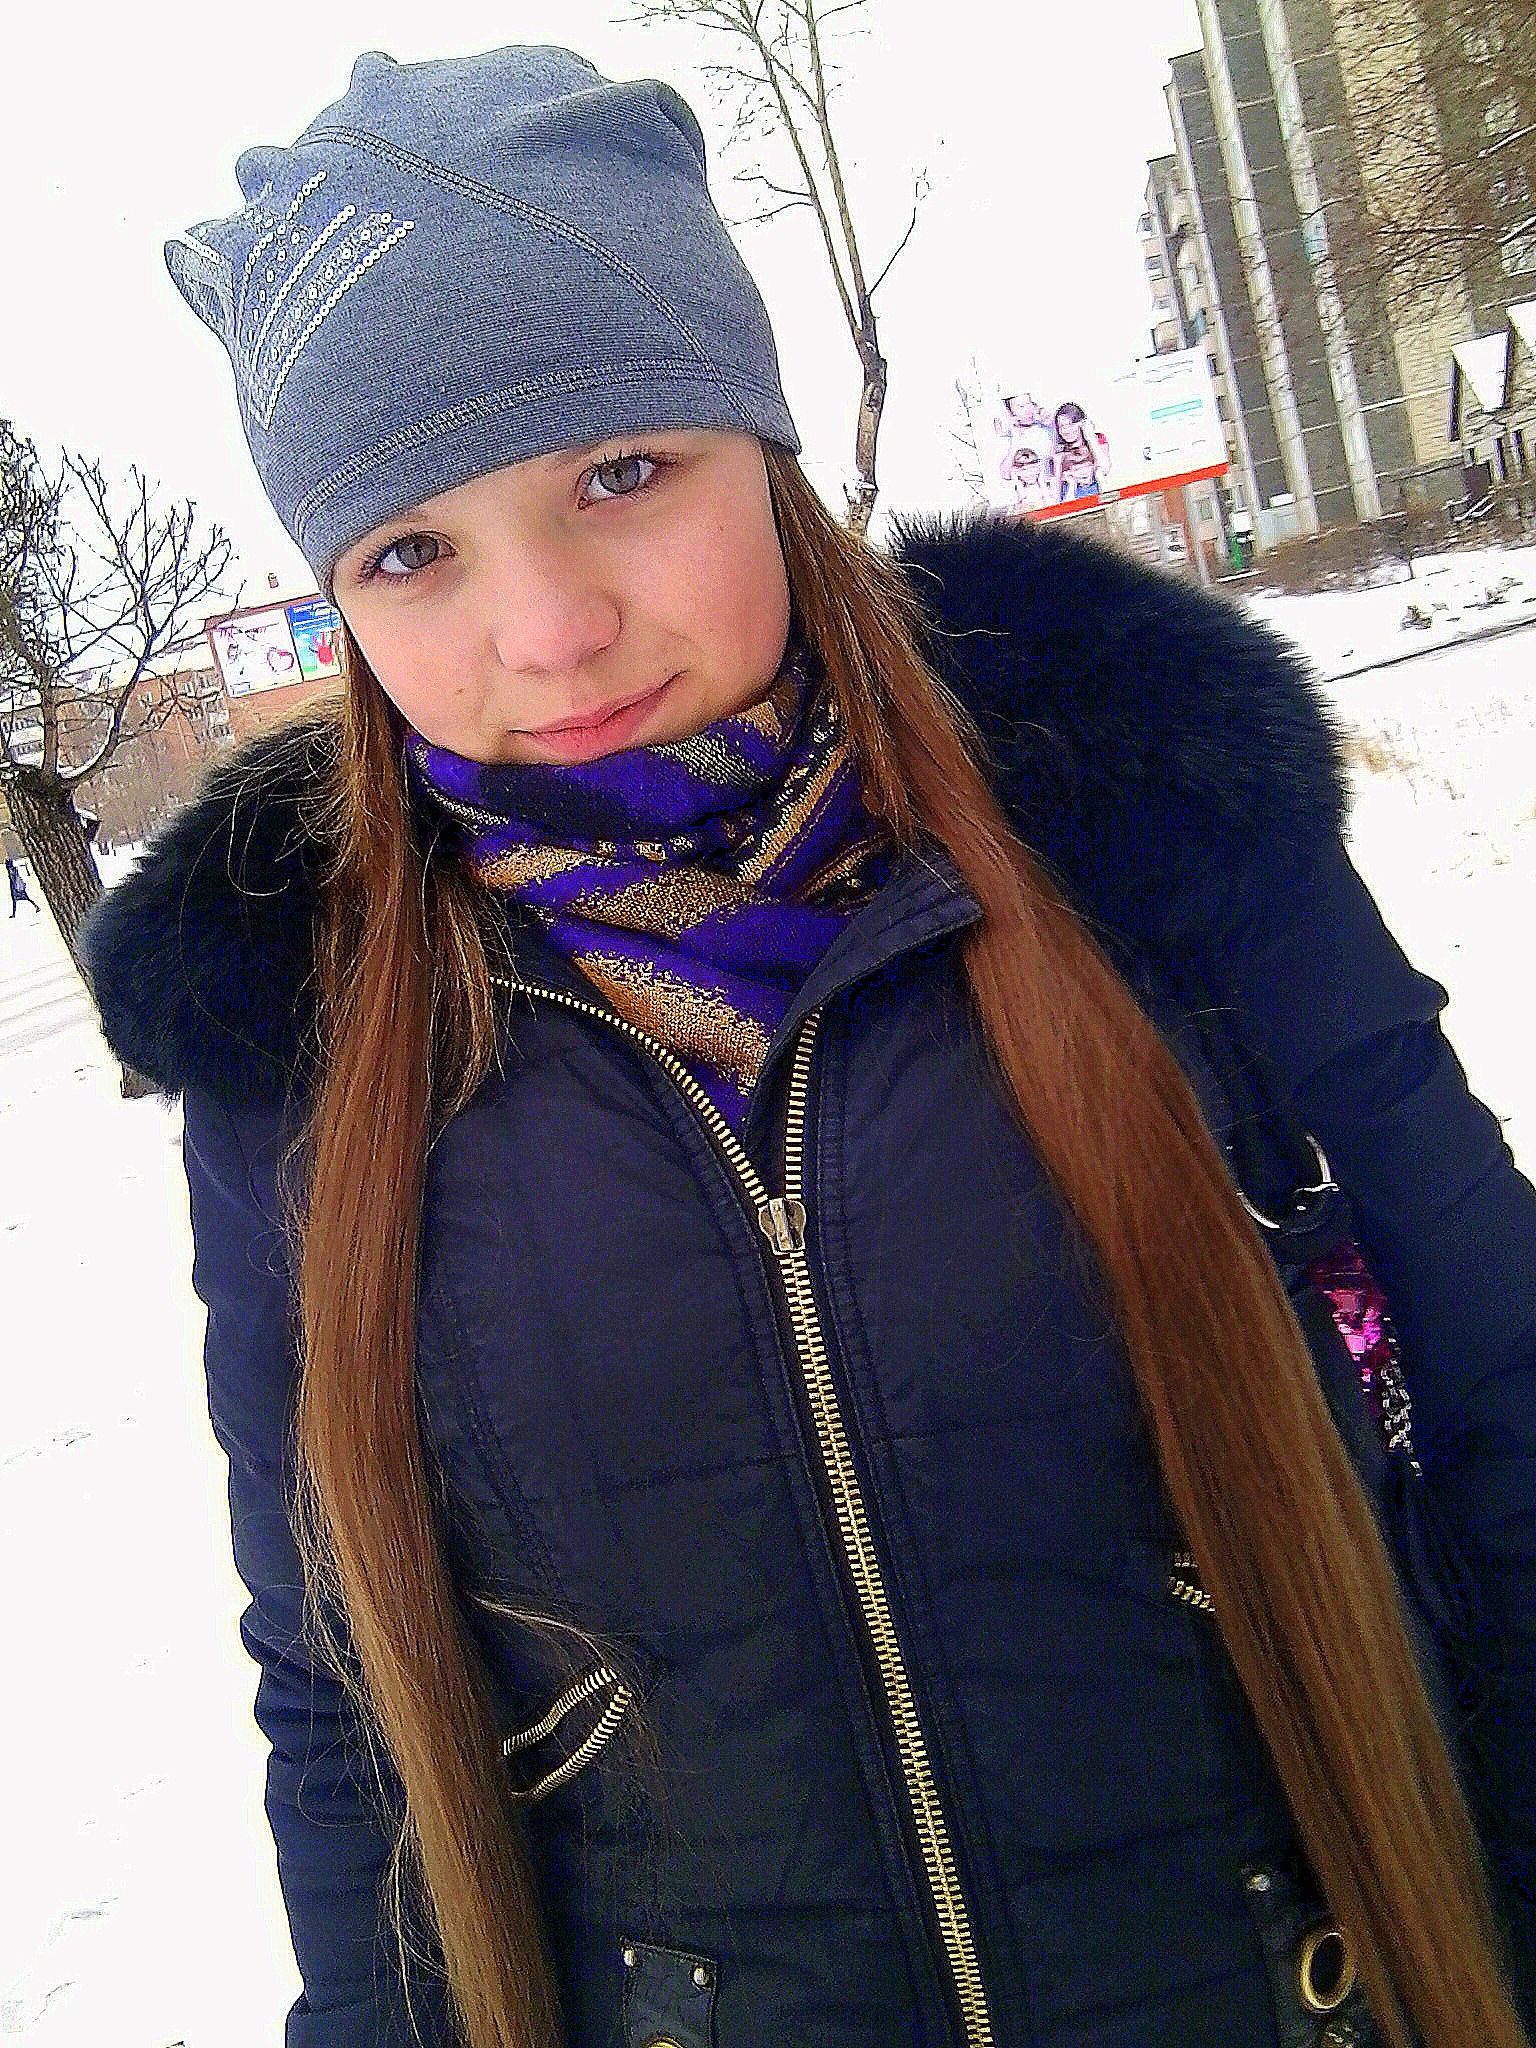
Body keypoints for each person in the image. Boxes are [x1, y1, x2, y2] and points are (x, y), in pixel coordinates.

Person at [78, 44, 1536, 2048]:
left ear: (761, 449)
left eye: (621, 473)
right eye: (411, 550)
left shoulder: (1152, 813)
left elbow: (1500, 1384)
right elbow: (340, 1693)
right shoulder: (297, 1033)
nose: (550, 631)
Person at [1052, 398, 1111, 502]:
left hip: (1099, 494)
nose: (1066, 430)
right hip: (1072, 497)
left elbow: (1105, 467)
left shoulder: (1097, 439)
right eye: (1061, 426)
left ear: (1081, 423)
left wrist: (1090, 437)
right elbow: (1057, 492)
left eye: (1070, 425)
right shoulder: (1059, 452)